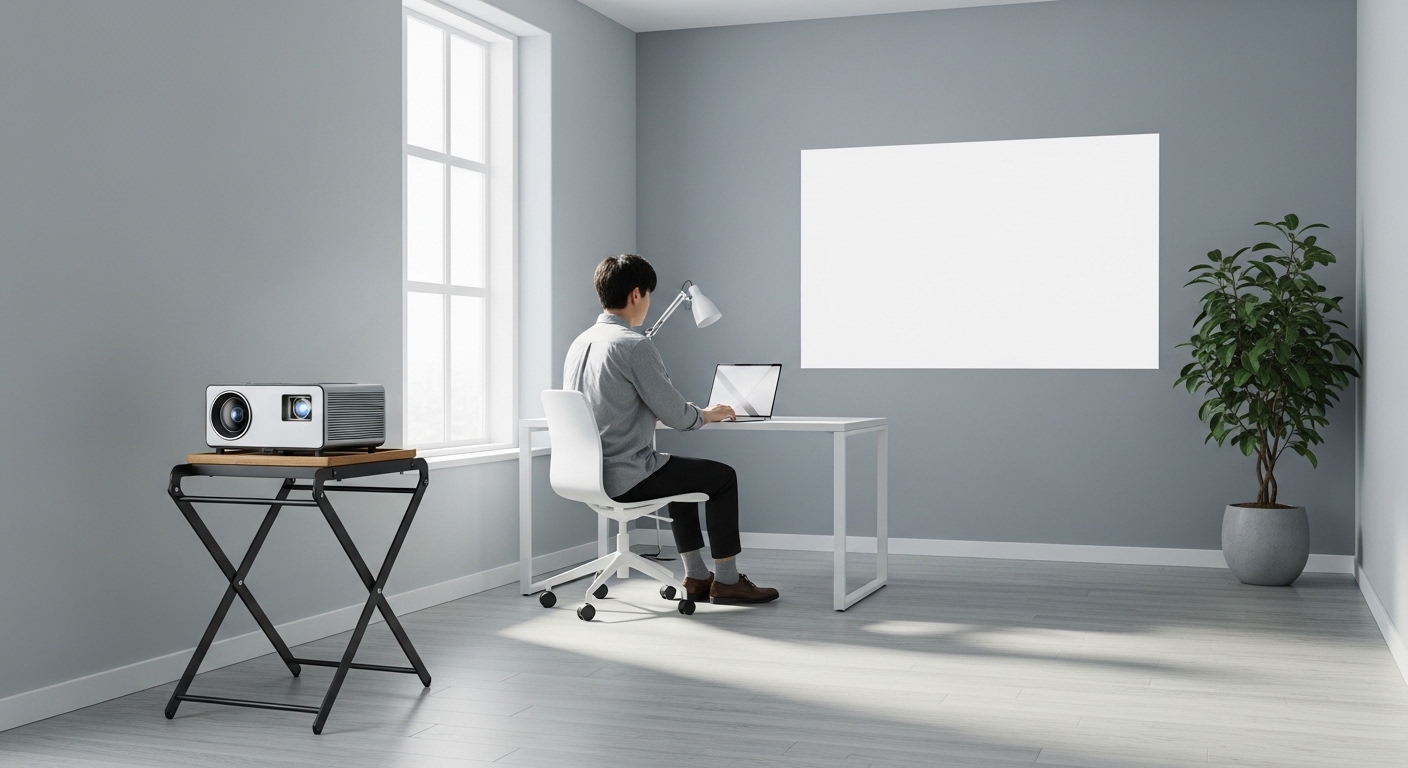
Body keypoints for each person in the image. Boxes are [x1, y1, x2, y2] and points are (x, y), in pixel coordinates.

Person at [562, 254, 780, 605]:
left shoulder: (580, 344)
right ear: (636, 295)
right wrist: (707, 413)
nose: (648, 303)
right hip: (626, 475)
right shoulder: (634, 345)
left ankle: (696, 577)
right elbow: (680, 419)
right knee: (722, 478)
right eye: (648, 294)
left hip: (585, 474)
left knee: (680, 473)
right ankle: (726, 581)